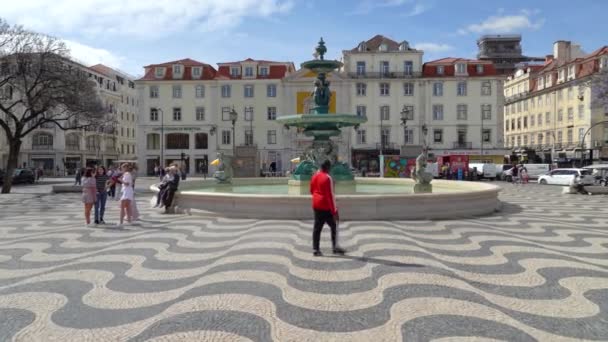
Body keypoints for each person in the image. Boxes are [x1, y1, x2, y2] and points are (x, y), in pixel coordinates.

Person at [309, 160, 345, 257]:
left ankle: (315, 249)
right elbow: (331, 196)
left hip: (316, 204)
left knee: (317, 228)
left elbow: (311, 190)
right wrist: (335, 211)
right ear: (328, 168)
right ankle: (335, 247)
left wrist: (317, 197)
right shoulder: (328, 178)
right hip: (325, 206)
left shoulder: (314, 176)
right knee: (334, 226)